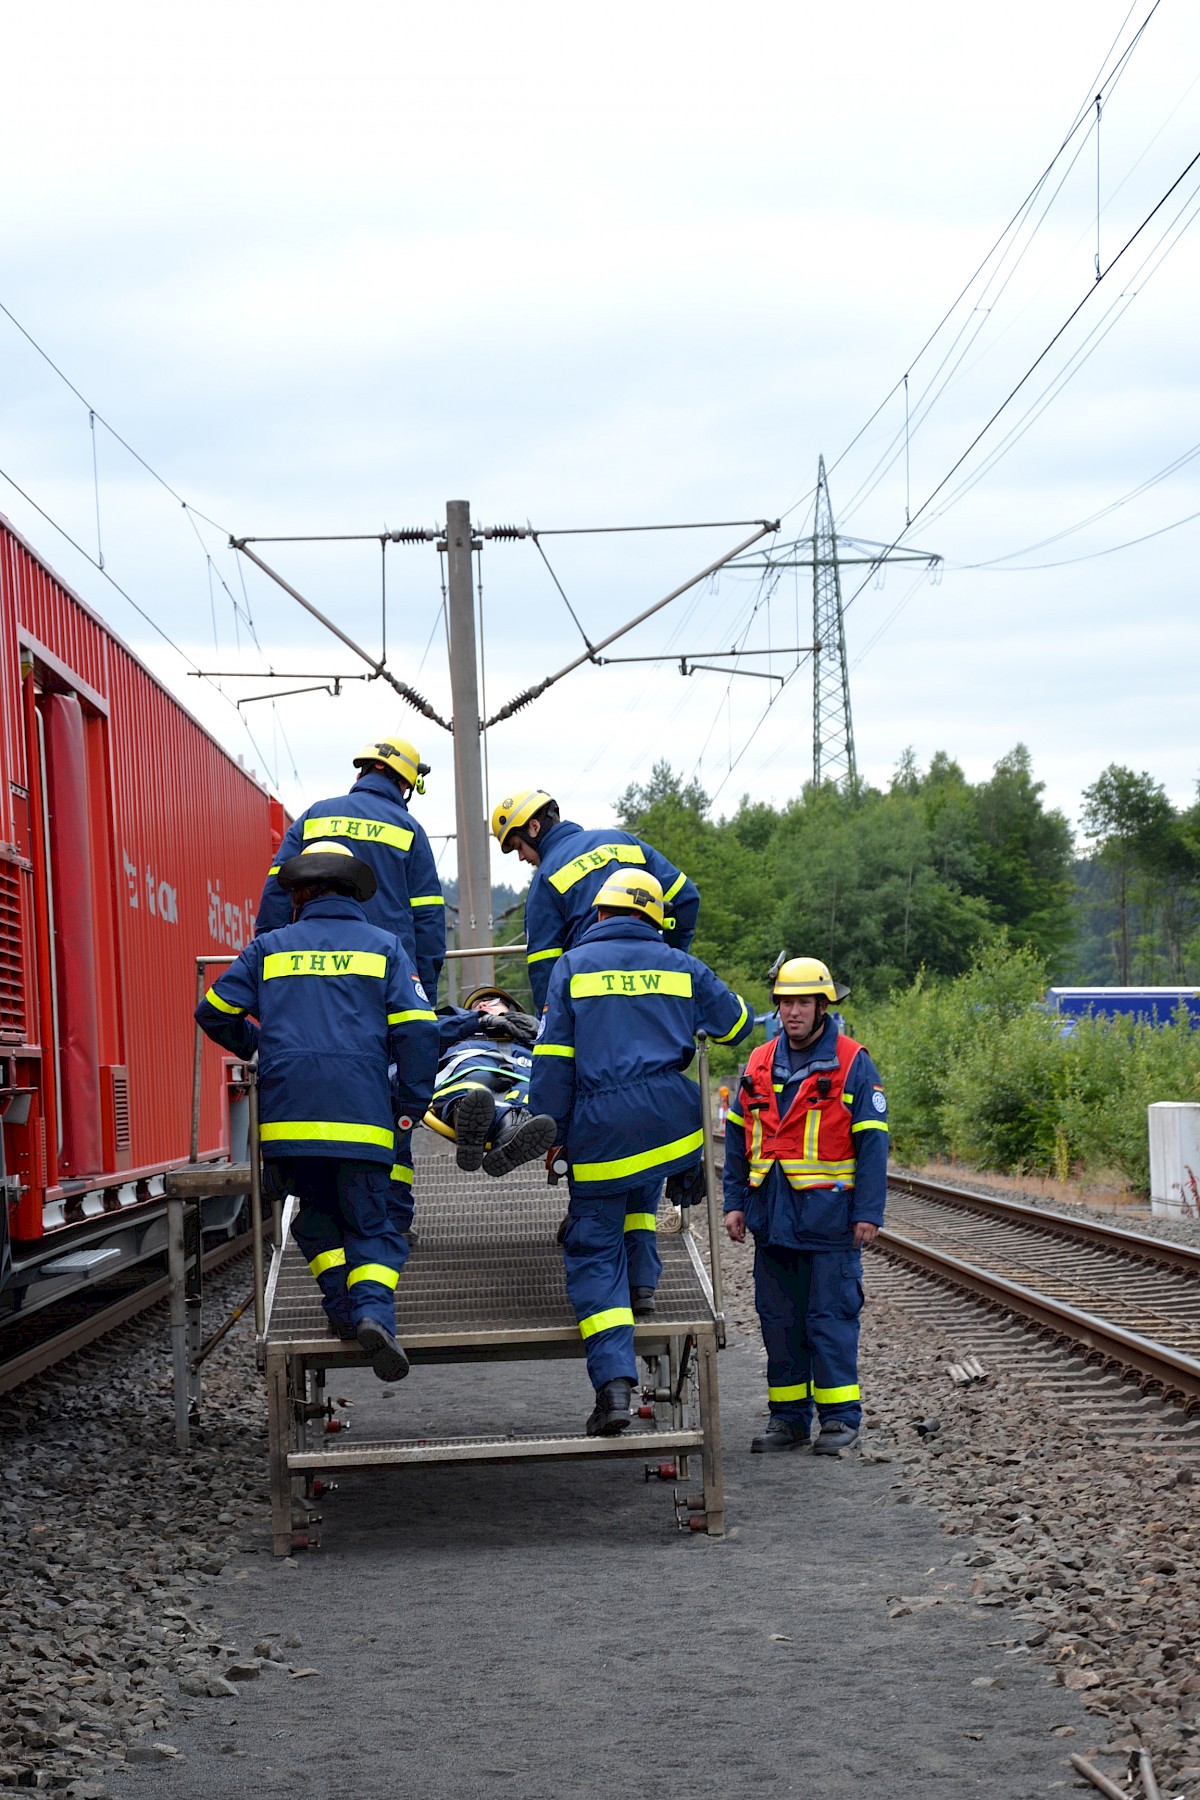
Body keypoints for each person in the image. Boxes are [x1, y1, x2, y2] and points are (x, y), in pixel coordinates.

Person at [196, 840, 439, 1381]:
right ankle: (373, 1310)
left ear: (299, 894)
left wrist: (255, 1046)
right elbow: (419, 1030)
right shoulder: (384, 947)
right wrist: (412, 1100)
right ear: (355, 892)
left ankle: (340, 1307)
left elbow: (212, 1011)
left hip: (288, 1122)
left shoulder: (269, 949)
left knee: (315, 1218)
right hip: (363, 1118)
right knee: (374, 1225)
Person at [530, 869, 753, 1437]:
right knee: (641, 1188)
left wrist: (551, 1128)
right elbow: (735, 1025)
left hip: (602, 1125)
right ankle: (644, 1284)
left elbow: (554, 1061)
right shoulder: (682, 966)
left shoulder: (573, 968)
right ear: (656, 920)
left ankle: (613, 1387)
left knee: (592, 1247)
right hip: (671, 1123)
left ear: (599, 915)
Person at [723, 956, 888, 1455]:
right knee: (778, 1321)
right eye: (785, 1002)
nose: (792, 1012)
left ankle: (839, 1420)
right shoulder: (757, 1061)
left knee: (830, 1319)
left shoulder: (853, 1061)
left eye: (802, 1002)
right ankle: (788, 1419)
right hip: (772, 1220)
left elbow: (873, 1144)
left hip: (829, 1220)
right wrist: (734, 1203)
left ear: (822, 1005)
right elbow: (736, 1139)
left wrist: (868, 1213)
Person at [256, 734, 445, 998]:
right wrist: (424, 991)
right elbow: (428, 918)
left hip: (309, 967)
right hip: (386, 977)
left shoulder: (313, 817)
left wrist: (269, 962)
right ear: (404, 785)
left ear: (360, 776)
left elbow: (278, 892)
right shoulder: (410, 829)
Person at [489, 789, 701, 1013]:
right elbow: (685, 897)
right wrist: (672, 956)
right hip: (657, 992)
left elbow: (545, 968)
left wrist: (550, 1026)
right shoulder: (623, 841)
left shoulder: (544, 881)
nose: (522, 857)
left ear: (534, 827)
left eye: (518, 847)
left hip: (598, 1004)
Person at [426, 986, 557, 1178]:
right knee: (473, 1083)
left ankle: (509, 1130)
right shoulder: (457, 1023)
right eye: (477, 1006)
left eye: (492, 1001)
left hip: (523, 1065)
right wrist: (476, 1022)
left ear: (512, 1009)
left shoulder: (535, 1032)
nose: (483, 1004)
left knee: (527, 1092)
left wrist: (541, 1034)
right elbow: (423, 1032)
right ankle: (464, 1113)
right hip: (475, 1056)